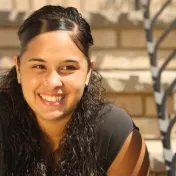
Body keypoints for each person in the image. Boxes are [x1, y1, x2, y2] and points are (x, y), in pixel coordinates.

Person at [0, 5, 149, 176]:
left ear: (88, 72)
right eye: (39, 66)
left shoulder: (115, 135)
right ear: (18, 69)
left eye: (68, 67)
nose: (52, 82)